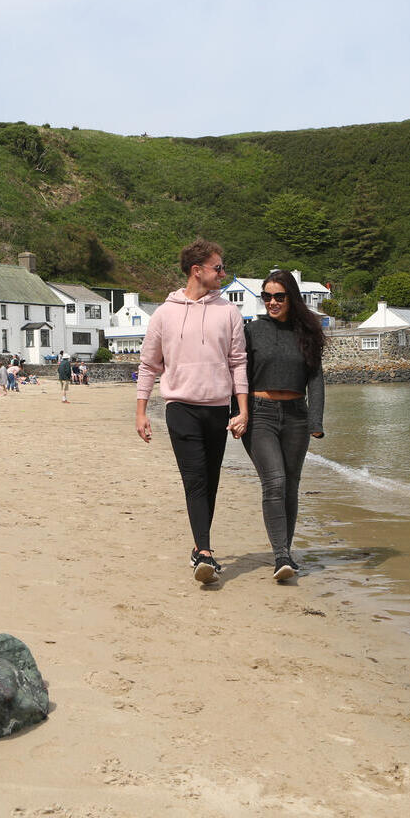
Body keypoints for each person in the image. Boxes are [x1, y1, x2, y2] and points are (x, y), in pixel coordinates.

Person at [136, 239, 248, 584]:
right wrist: (141, 411)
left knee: (210, 480)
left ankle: (199, 546)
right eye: (218, 267)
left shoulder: (229, 312)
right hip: (180, 407)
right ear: (197, 270)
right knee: (195, 478)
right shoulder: (164, 314)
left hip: (217, 409)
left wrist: (243, 410)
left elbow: (238, 363)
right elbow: (148, 365)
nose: (223, 274)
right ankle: (205, 553)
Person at [241, 270, 325, 582]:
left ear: (292, 297)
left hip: (297, 417)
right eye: (267, 296)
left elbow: (316, 380)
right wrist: (238, 413)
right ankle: (280, 556)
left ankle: (285, 553)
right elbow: (239, 375)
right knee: (274, 482)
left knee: (290, 485)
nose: (272, 302)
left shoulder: (308, 332)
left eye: (279, 296)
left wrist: (315, 421)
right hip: (259, 414)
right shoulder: (252, 331)